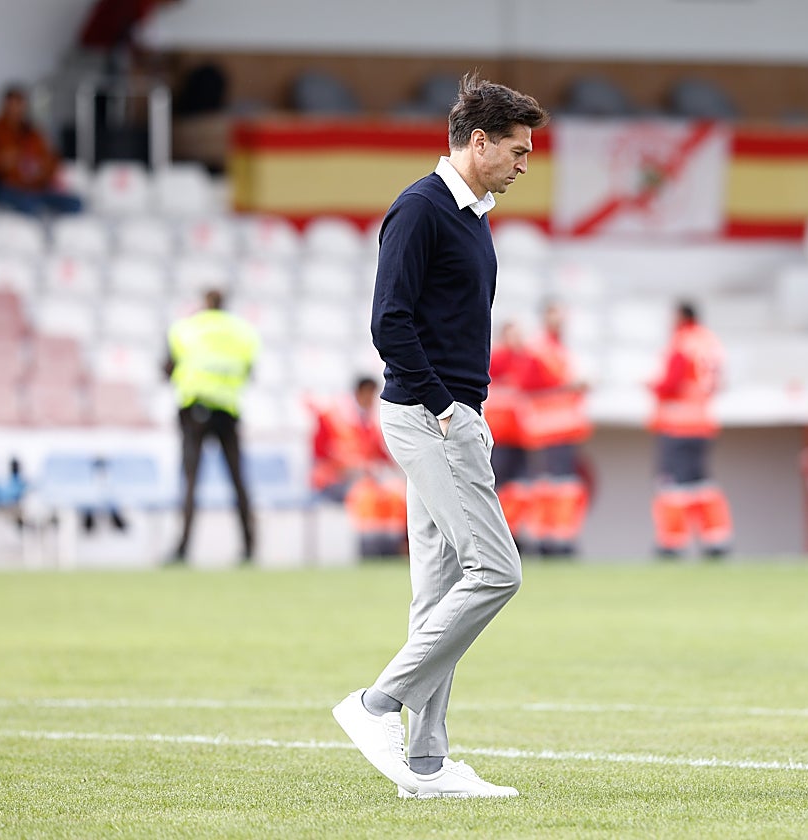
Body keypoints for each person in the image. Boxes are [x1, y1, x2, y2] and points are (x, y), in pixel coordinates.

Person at [331, 72, 548, 800]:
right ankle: (374, 706)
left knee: (440, 590)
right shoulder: (420, 209)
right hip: (432, 418)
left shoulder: (472, 213)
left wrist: (466, 409)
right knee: (496, 571)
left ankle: (424, 765)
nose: (525, 165)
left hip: (452, 414)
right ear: (477, 141)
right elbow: (388, 322)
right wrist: (449, 410)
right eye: (517, 152)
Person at [165, 288, 259, 563]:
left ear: (204, 302)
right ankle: (249, 547)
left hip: (194, 410)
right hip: (228, 411)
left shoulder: (186, 328)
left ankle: (183, 548)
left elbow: (169, 367)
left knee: (191, 482)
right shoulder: (243, 332)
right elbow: (250, 370)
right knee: (238, 481)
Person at [649, 301, 732, 558]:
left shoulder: (682, 343)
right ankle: (715, 540)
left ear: (681, 316)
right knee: (701, 484)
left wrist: (651, 386)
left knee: (673, 487)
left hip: (678, 424)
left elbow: (669, 383)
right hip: (702, 422)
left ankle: (672, 543)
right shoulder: (710, 342)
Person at [517, 301, 592, 556]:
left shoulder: (559, 349)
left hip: (563, 427)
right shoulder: (539, 349)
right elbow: (527, 385)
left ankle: (561, 536)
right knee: (550, 486)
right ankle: (546, 537)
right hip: (548, 427)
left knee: (561, 485)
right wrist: (568, 389)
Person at [309, 377, 407, 558]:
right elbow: (320, 456)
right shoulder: (332, 418)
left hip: (362, 479)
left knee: (394, 492)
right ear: (360, 393)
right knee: (365, 494)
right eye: (370, 395)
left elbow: (380, 455)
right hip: (333, 480)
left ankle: (392, 545)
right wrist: (352, 466)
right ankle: (369, 549)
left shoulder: (367, 423)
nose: (372, 401)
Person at [0, 85, 82, 216]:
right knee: (30, 205)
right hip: (8, 188)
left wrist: (44, 169)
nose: (15, 110)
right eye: (12, 105)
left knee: (75, 204)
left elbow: (53, 159)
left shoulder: (34, 133)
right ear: (4, 106)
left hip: (36, 187)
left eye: (19, 105)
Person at [485, 320, 532, 549]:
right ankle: (497, 536)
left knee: (517, 489)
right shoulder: (496, 359)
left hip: (518, 438)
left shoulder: (524, 359)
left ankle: (511, 533)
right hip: (500, 437)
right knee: (499, 487)